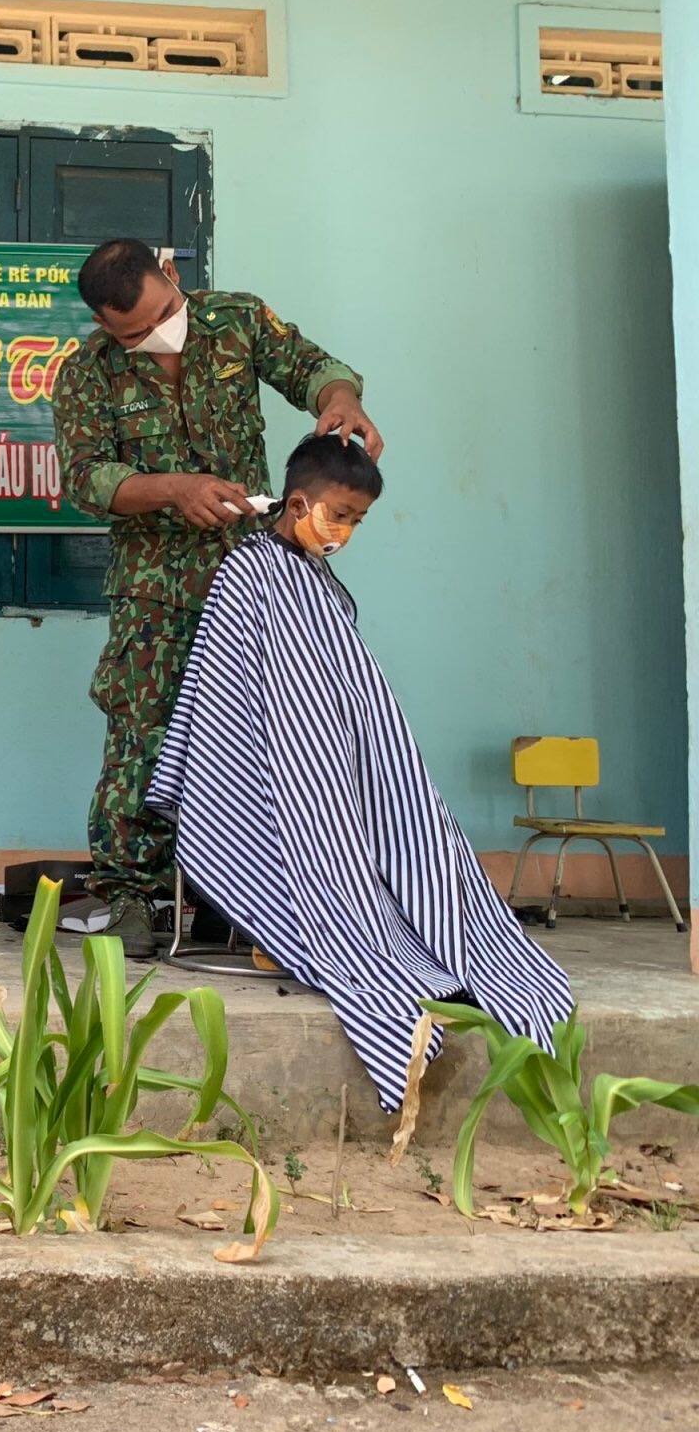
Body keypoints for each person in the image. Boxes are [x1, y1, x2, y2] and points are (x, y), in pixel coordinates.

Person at [147, 437, 575, 1109]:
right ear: (299, 502)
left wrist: (358, 746)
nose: (345, 531)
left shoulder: (320, 583)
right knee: (327, 846)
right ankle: (354, 949)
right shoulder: (246, 575)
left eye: (357, 521)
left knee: (414, 826)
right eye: (339, 515)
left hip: (343, 756)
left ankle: (437, 949)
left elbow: (348, 685)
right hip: (270, 762)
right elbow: (227, 690)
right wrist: (297, 750)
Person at [53, 239, 382, 959]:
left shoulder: (234, 320)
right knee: (144, 737)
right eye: (128, 332)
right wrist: (173, 488)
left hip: (256, 576)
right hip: (155, 590)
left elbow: (311, 368)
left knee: (262, 733)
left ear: (172, 278)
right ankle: (128, 896)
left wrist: (341, 401)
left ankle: (229, 895)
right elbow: (86, 480)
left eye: (158, 319)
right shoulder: (86, 373)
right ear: (104, 323)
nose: (147, 339)